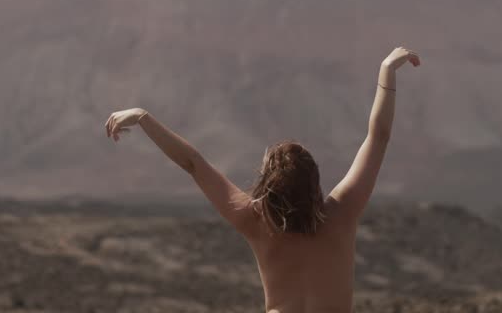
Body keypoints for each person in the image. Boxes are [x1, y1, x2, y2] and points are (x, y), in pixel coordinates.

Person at [103, 45, 422, 313]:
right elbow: (378, 137)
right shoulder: (342, 212)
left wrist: (144, 118)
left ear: (268, 186)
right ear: (314, 181)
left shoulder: (255, 220)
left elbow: (193, 164)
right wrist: (386, 71)